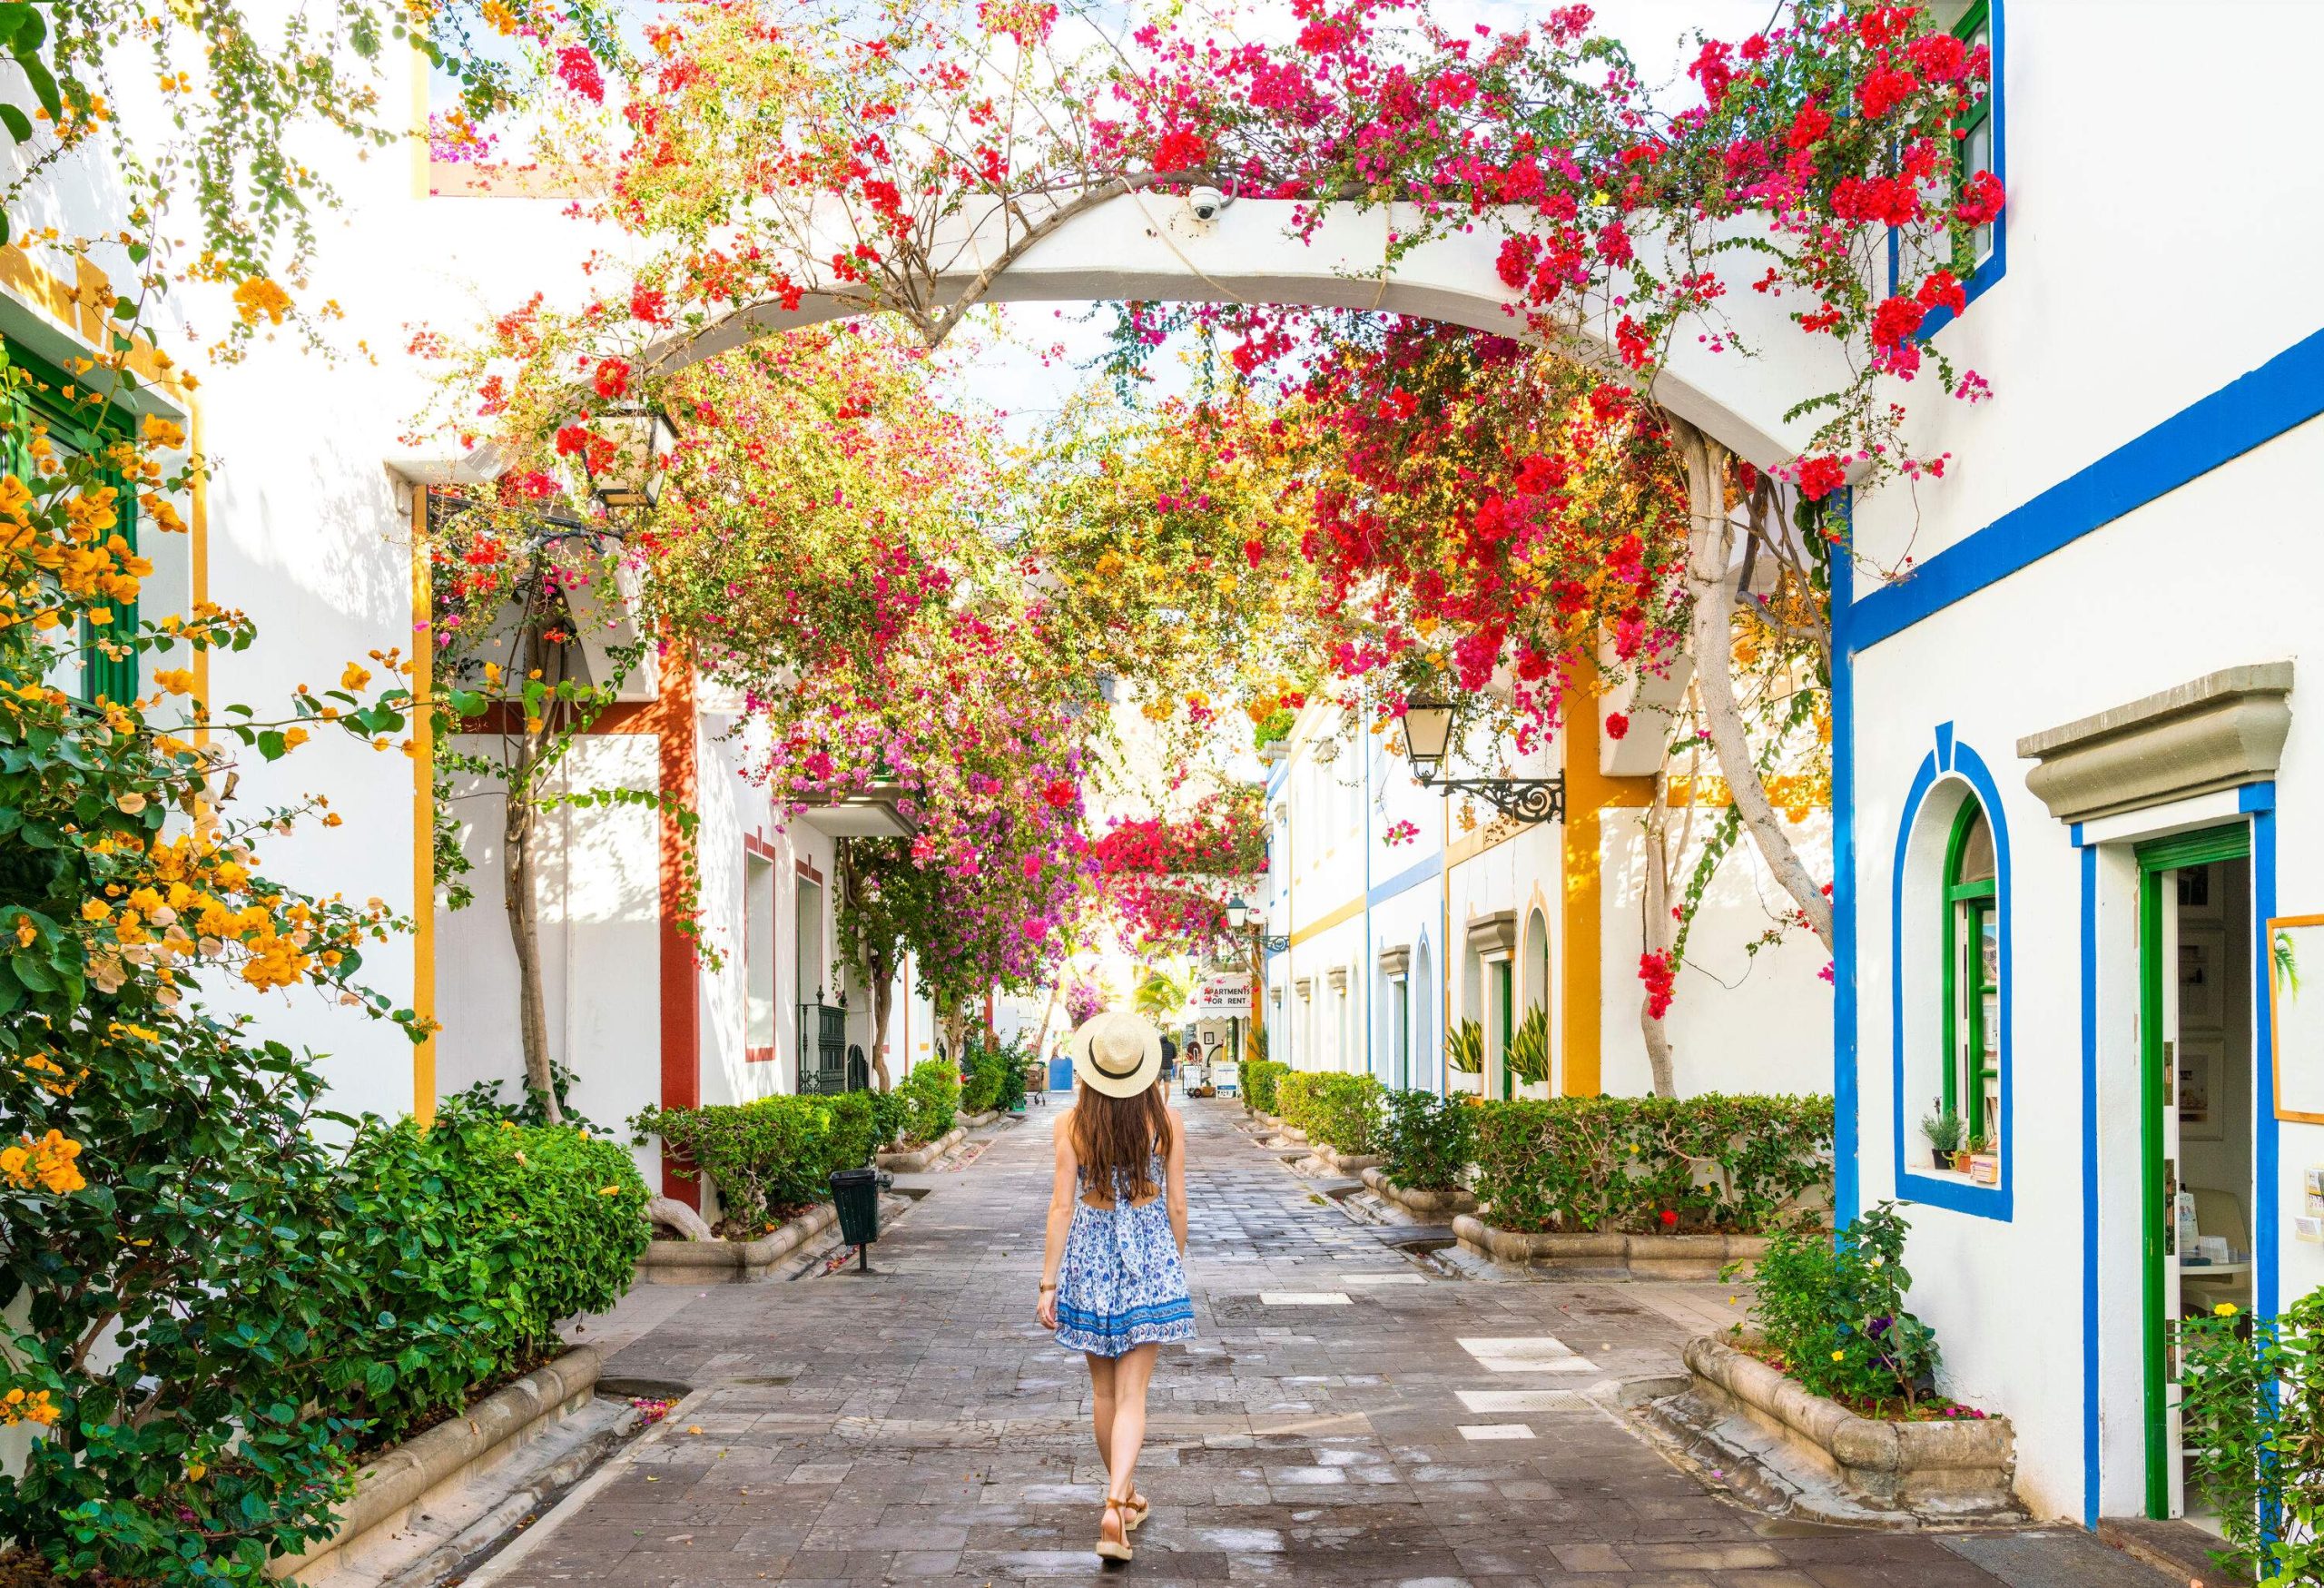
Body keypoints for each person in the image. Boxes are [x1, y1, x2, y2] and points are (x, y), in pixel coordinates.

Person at [1037, 1010, 1194, 1562]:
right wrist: (1169, 1259)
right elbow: (1177, 1204)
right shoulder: (1167, 1121)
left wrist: (1048, 1283)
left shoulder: (1071, 1125)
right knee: (1133, 1397)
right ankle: (1115, 1500)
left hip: (1089, 1257)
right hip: (1148, 1255)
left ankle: (1121, 1500)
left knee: (1104, 1395)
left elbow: (1061, 1207)